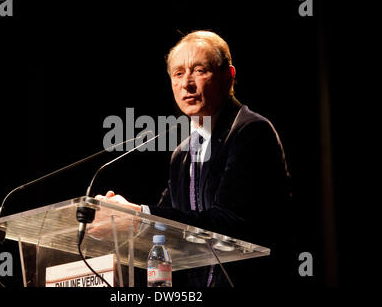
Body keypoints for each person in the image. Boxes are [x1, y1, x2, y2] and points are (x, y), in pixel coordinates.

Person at [97, 30, 294, 287]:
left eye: (199, 70)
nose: (187, 83)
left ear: (229, 76)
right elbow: (169, 226)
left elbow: (229, 223)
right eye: (178, 73)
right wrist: (117, 220)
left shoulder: (251, 131)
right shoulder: (181, 155)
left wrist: (138, 217)